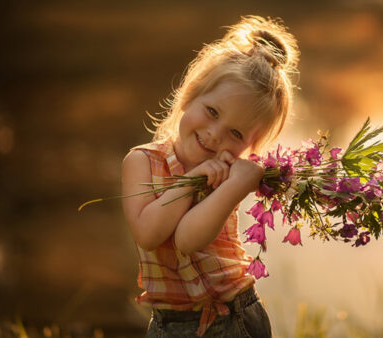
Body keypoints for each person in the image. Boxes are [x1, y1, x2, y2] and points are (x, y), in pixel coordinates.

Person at [120, 15, 299, 337]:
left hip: (235, 318)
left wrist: (237, 186)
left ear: (250, 146)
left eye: (235, 133)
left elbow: (188, 239)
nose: (215, 135)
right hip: (172, 323)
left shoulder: (229, 178)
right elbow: (148, 233)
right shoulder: (141, 161)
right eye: (212, 112)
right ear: (191, 95)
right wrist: (194, 179)